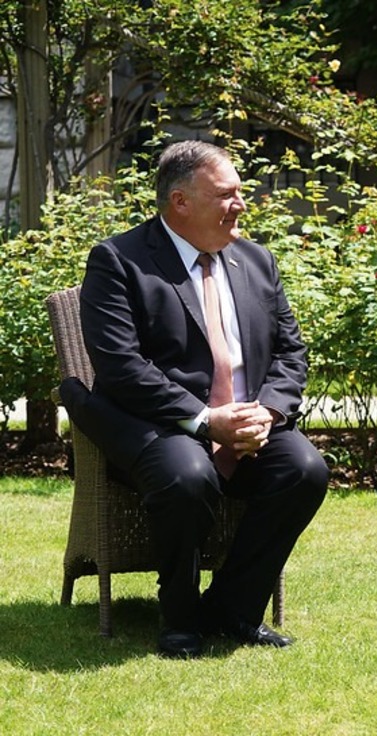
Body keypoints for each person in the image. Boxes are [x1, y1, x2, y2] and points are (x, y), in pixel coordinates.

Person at [62, 140, 328, 658]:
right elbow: (120, 367)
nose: (241, 205)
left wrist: (267, 412)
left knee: (305, 469)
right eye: (227, 195)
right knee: (187, 476)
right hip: (161, 423)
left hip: (251, 419)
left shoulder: (256, 260)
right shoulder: (118, 260)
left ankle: (232, 610)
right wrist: (206, 421)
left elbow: (291, 352)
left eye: (240, 194)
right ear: (180, 202)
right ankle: (180, 619)